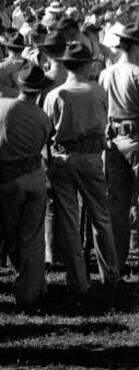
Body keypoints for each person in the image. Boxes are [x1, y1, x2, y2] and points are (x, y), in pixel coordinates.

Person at [44, 41, 119, 293]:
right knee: (101, 217)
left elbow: (47, 131)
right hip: (90, 157)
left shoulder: (54, 95)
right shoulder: (98, 91)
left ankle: (78, 280)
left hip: (62, 158)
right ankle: (110, 275)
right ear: (87, 65)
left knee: (68, 220)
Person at [99, 22, 139, 276]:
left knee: (116, 202)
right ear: (136, 47)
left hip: (113, 140)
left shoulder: (106, 73)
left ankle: (117, 259)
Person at [0, 63, 54, 308]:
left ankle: (29, 284)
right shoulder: (43, 118)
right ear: (40, 91)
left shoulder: (2, 107)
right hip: (34, 177)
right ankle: (31, 290)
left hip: (8, 180)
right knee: (32, 237)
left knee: (11, 235)